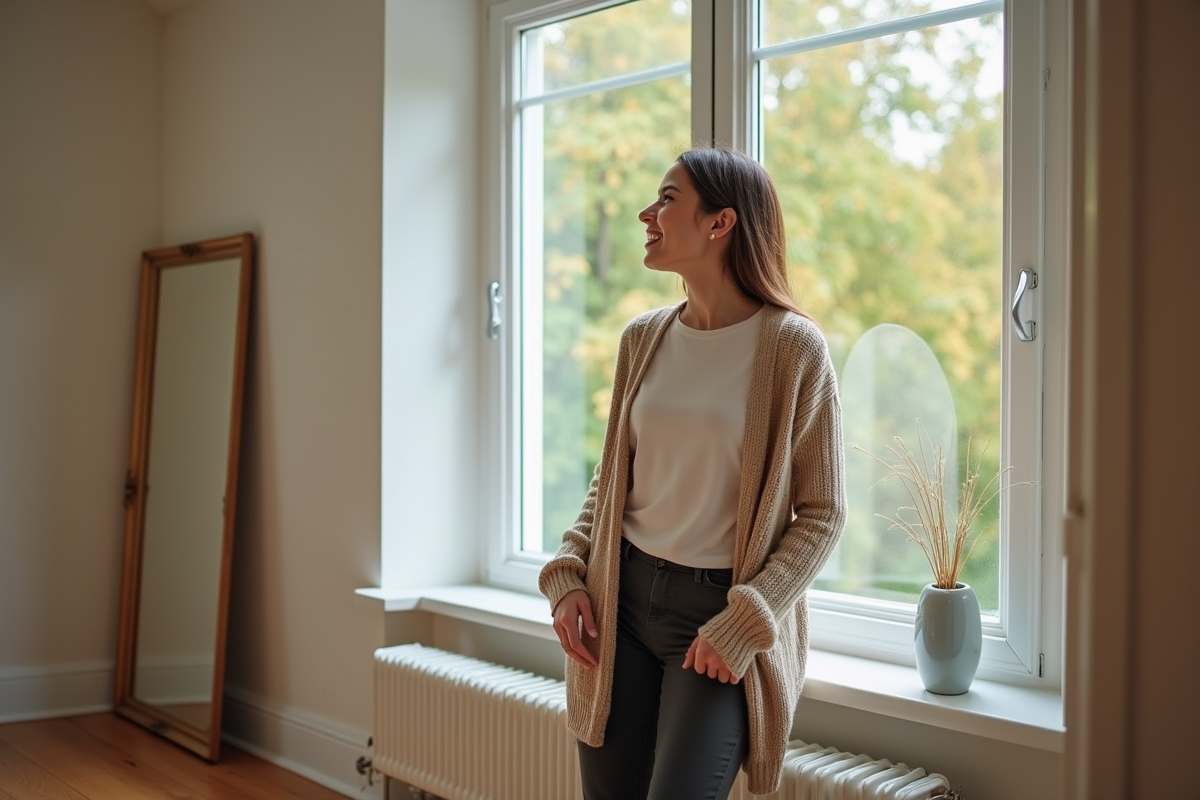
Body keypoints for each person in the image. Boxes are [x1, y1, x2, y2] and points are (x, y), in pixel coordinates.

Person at [538, 147, 847, 800]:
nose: (647, 214)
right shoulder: (642, 338)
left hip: (717, 615)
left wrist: (748, 620)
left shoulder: (793, 348)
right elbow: (611, 484)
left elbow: (823, 512)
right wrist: (569, 574)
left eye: (667, 199)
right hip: (619, 600)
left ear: (720, 223)